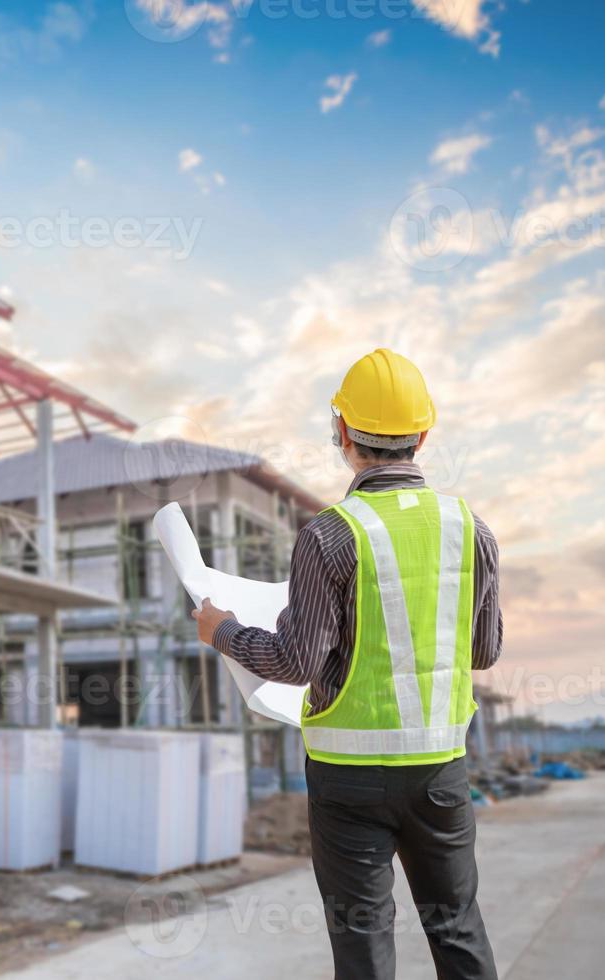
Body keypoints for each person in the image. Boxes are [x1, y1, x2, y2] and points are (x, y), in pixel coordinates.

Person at [194, 348, 501, 980]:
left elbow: (295, 659)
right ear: (422, 434)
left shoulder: (328, 535)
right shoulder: (472, 531)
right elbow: (484, 650)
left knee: (362, 944)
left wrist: (222, 630)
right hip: (440, 771)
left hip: (348, 780)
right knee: (457, 926)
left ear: (341, 433)